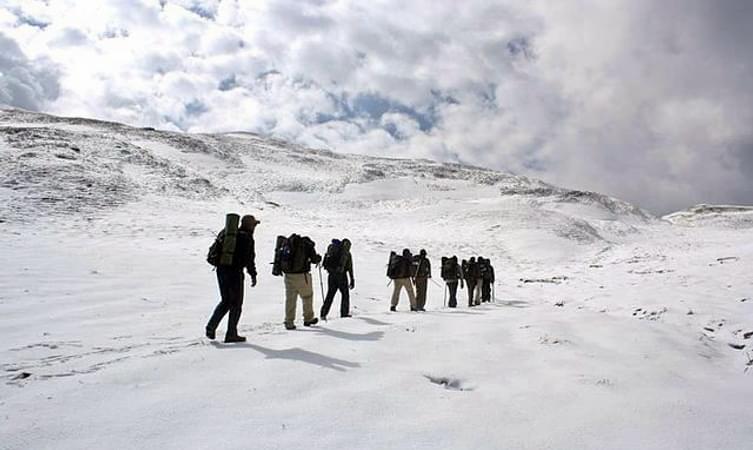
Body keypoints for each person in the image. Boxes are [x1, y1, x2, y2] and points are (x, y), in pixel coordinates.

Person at [205, 215, 259, 343]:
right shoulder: (247, 237)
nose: (255, 227)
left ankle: (211, 327)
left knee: (226, 301)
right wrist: (253, 274)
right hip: (235, 272)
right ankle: (231, 333)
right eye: (254, 224)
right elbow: (249, 259)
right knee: (236, 304)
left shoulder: (228, 233)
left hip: (221, 270)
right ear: (250, 225)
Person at [282, 234, 322, 330]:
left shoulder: (288, 243)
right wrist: (318, 258)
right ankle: (308, 318)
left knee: (290, 299)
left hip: (288, 275)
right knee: (307, 296)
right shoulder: (307, 245)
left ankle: (289, 321)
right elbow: (314, 259)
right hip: (302, 275)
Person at [320, 238, 355, 320]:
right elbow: (350, 268)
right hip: (341, 276)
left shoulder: (332, 249)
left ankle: (323, 313)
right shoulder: (346, 254)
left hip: (331, 275)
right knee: (345, 295)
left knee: (330, 295)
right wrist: (352, 279)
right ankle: (344, 313)